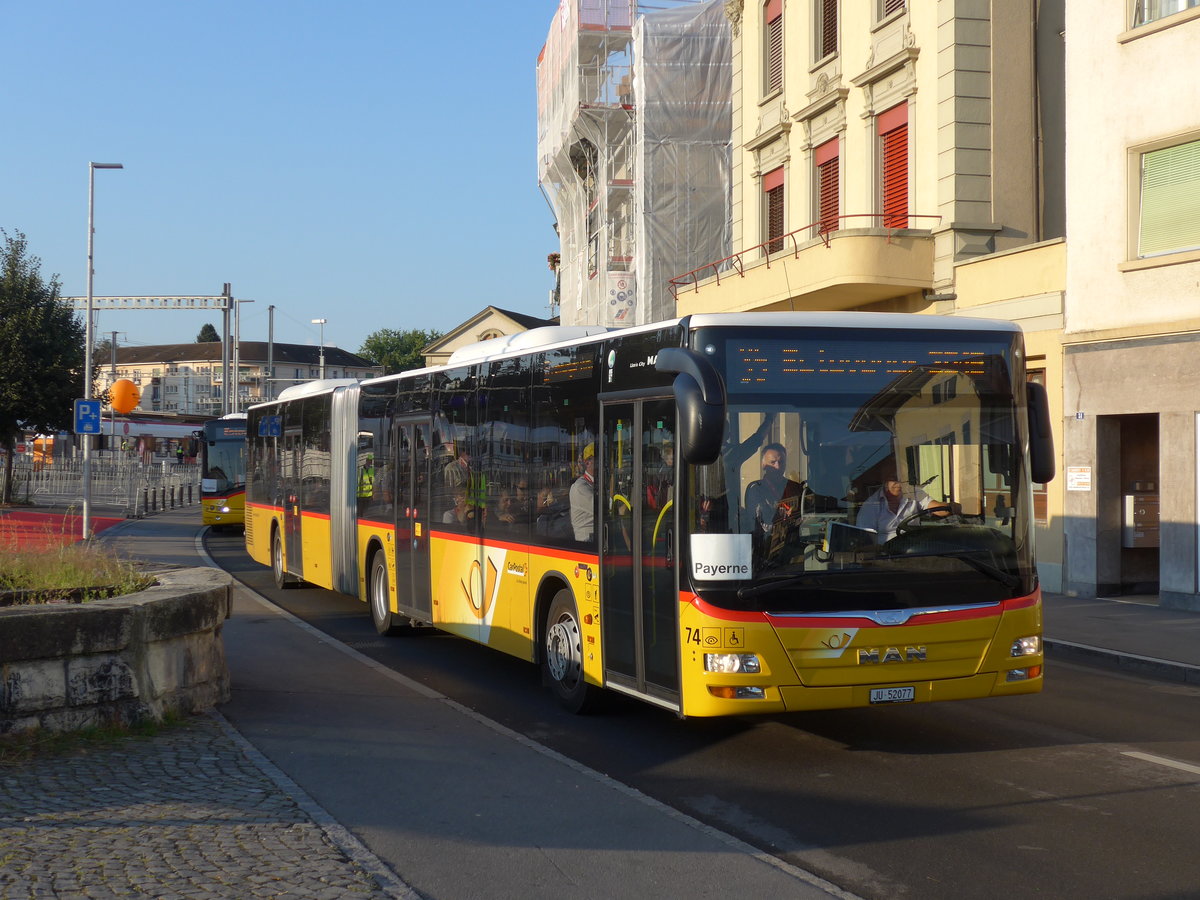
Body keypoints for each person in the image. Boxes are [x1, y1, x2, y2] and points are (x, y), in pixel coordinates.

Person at [855, 465, 942, 543]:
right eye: (894, 478)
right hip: (885, 555)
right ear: (885, 480)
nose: (899, 482)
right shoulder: (871, 505)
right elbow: (865, 540)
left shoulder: (914, 492)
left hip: (915, 550)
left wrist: (952, 507)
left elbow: (938, 508)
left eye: (902, 478)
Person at [743, 442, 805, 534]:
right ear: (763, 465)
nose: (778, 466)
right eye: (773, 462)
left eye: (781, 462)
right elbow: (759, 525)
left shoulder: (795, 487)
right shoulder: (756, 490)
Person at [569, 443, 596, 542]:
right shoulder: (580, 487)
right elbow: (602, 509)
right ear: (588, 463)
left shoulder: (593, 483)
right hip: (588, 542)